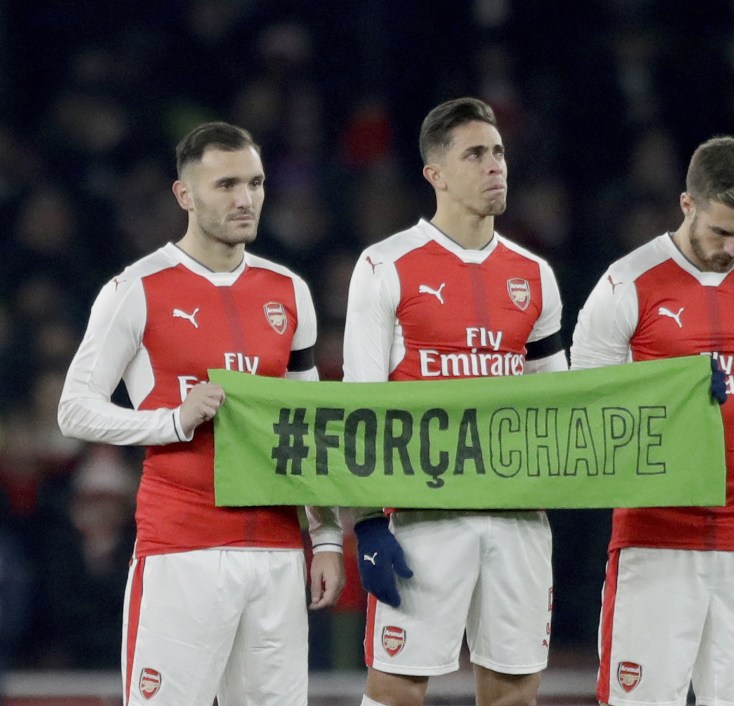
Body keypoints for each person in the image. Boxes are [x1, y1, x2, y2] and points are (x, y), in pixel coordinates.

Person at [58, 121, 344, 706]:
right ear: (185, 195)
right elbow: (74, 411)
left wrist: (328, 537)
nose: (246, 199)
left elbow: (308, 425)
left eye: (256, 183)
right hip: (181, 547)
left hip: (278, 553)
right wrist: (171, 420)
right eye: (227, 185)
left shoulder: (289, 291)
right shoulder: (135, 289)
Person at [342, 97, 568, 706]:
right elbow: (361, 405)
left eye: (498, 152)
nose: (495, 165)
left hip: (518, 514)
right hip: (423, 513)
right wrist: (364, 521)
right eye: (475, 154)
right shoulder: (384, 266)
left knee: (514, 692)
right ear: (435, 174)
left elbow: (562, 401)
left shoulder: (535, 275)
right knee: (396, 688)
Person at [571, 136, 734, 706]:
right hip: (654, 534)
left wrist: (721, 462)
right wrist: (680, 423)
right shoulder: (626, 284)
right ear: (687, 204)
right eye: (722, 231)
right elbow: (586, 415)